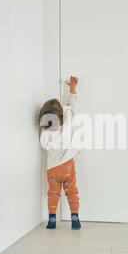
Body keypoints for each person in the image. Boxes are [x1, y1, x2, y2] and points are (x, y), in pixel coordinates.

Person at [38, 76, 81, 230]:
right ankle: (75, 218)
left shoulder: (46, 134)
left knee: (53, 194)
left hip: (53, 169)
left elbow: (43, 144)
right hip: (68, 165)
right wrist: (72, 88)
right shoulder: (68, 119)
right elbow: (73, 105)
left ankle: (51, 220)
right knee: (72, 191)